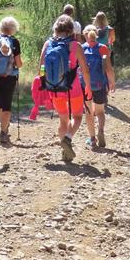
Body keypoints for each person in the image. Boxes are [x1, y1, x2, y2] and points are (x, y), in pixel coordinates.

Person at [40, 15, 91, 163]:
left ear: (56, 28)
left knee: (63, 120)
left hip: (55, 88)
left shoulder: (48, 44)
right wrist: (88, 86)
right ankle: (67, 139)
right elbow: (85, 69)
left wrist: (45, 83)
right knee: (77, 117)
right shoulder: (75, 45)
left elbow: (41, 68)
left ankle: (65, 152)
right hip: (73, 88)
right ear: (71, 29)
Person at [0, 16, 23, 145]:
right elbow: (18, 64)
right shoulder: (14, 41)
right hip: (9, 76)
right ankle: (3, 132)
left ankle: (3, 129)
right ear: (13, 28)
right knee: (7, 104)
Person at [81, 26, 116, 148]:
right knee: (100, 111)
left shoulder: (81, 48)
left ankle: (92, 139)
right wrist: (112, 82)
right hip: (100, 84)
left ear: (84, 35)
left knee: (89, 111)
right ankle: (100, 131)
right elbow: (109, 69)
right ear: (96, 34)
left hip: (86, 85)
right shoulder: (103, 48)